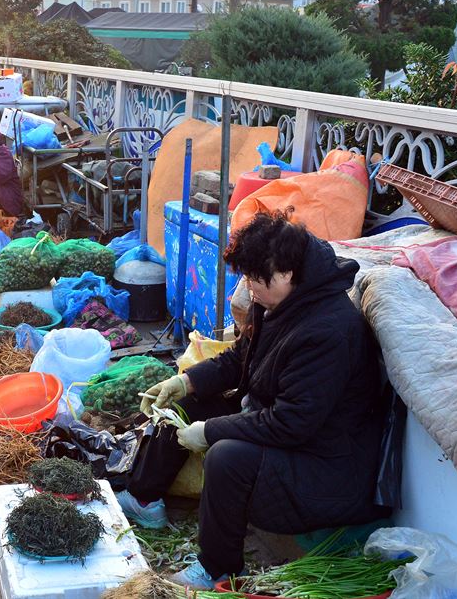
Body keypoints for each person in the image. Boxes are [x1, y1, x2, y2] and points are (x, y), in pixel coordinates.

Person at [118, 210, 388, 589]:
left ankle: (218, 569)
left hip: (326, 466)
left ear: (287, 273)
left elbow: (290, 423)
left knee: (228, 456)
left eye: (253, 278)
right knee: (184, 406)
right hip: (282, 426)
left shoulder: (329, 331)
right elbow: (239, 357)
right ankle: (145, 499)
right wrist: (185, 382)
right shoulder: (277, 302)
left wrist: (210, 432)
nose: (248, 288)